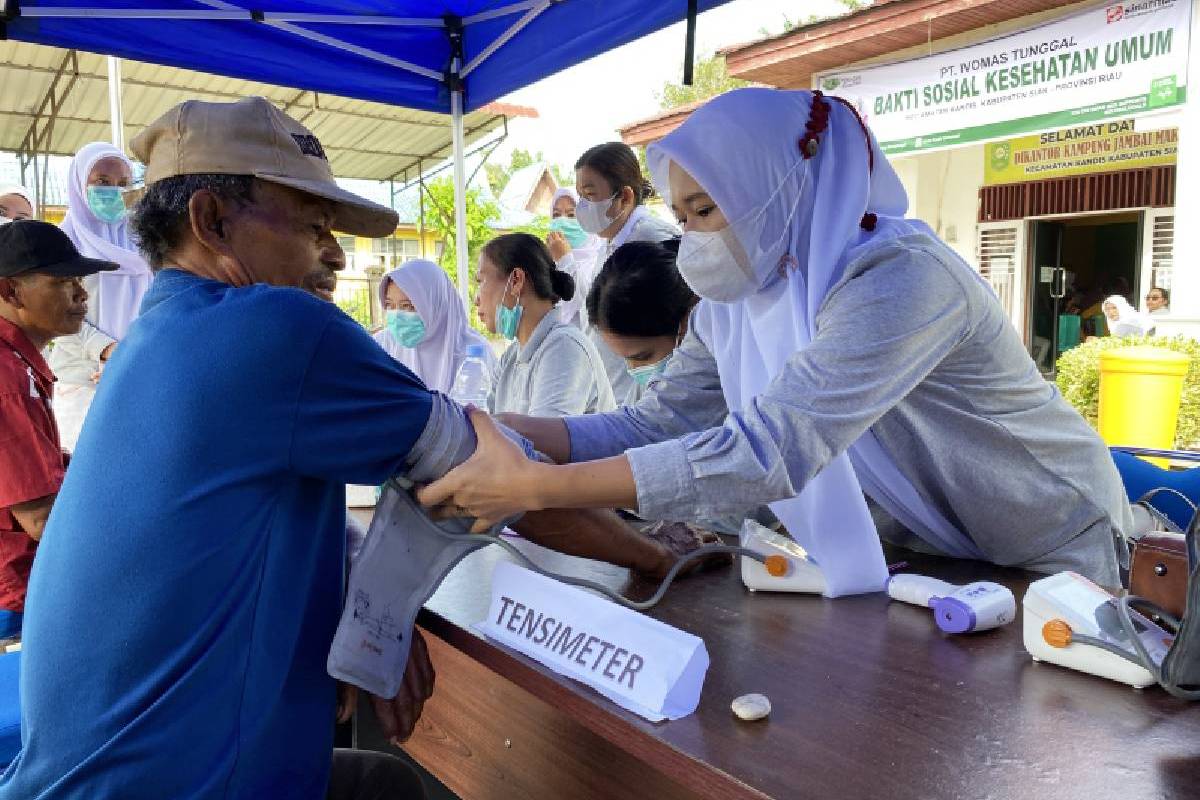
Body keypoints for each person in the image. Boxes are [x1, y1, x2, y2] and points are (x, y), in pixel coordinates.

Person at [1, 97, 707, 800]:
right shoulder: (272, 327)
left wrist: (371, 605)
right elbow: (499, 479)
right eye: (313, 226)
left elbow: (246, 515)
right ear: (211, 222)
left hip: (82, 778)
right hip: (188, 785)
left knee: (383, 783)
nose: (336, 254)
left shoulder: (150, 339)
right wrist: (655, 557)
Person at [418, 88, 1134, 595]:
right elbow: (656, 422)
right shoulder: (740, 300)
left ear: (779, 190)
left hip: (1051, 542)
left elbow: (772, 448)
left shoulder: (900, 279)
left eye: (707, 211)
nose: (692, 239)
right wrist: (504, 429)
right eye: (683, 216)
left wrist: (537, 486)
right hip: (933, 552)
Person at [0, 221, 116, 642]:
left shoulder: (19, 363)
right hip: (17, 588)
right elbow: (41, 518)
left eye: (79, 281)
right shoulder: (8, 380)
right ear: (12, 292)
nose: (82, 295)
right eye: (64, 282)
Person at [48, 142, 154, 450]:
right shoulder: (62, 245)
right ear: (80, 182)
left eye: (123, 183)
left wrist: (133, 354)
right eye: (103, 181)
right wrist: (108, 351)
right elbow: (54, 316)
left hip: (138, 371)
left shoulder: (144, 242)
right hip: (82, 381)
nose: (114, 191)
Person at [573, 143, 679, 401]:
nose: (581, 207)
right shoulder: (608, 242)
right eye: (580, 196)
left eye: (590, 195)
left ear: (624, 197)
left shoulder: (655, 241)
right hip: (616, 388)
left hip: (649, 387)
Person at [478, 232, 615, 417]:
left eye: (481, 281)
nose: (476, 299)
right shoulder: (511, 357)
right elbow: (485, 426)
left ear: (516, 280)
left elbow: (540, 435)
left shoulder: (564, 347)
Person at [585, 239, 695, 406]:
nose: (634, 370)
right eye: (626, 360)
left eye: (643, 356)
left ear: (684, 323)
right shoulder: (651, 386)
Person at [375, 258, 496, 394]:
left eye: (408, 306)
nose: (397, 316)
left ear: (437, 305)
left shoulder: (474, 354)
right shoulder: (383, 344)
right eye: (389, 305)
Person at [545, 187, 603, 330]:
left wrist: (565, 259)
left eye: (571, 215)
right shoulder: (547, 263)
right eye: (556, 215)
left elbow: (590, 303)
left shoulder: (602, 258)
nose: (562, 220)